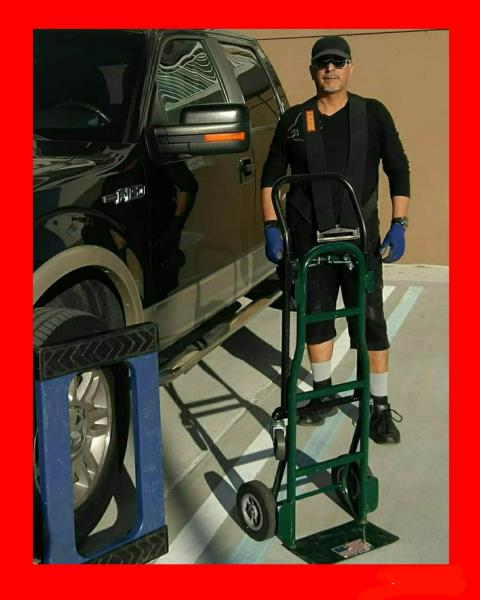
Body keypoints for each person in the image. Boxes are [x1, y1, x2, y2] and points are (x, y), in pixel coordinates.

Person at [260, 35, 410, 444]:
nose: (331, 69)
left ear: (350, 68)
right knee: (316, 317)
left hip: (361, 240)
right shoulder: (295, 120)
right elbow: (270, 177)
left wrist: (399, 223)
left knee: (370, 320)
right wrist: (272, 227)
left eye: (338, 62)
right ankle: (322, 395)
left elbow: (398, 168)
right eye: (323, 62)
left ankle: (380, 407)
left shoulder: (372, 114)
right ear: (312, 70)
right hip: (309, 240)